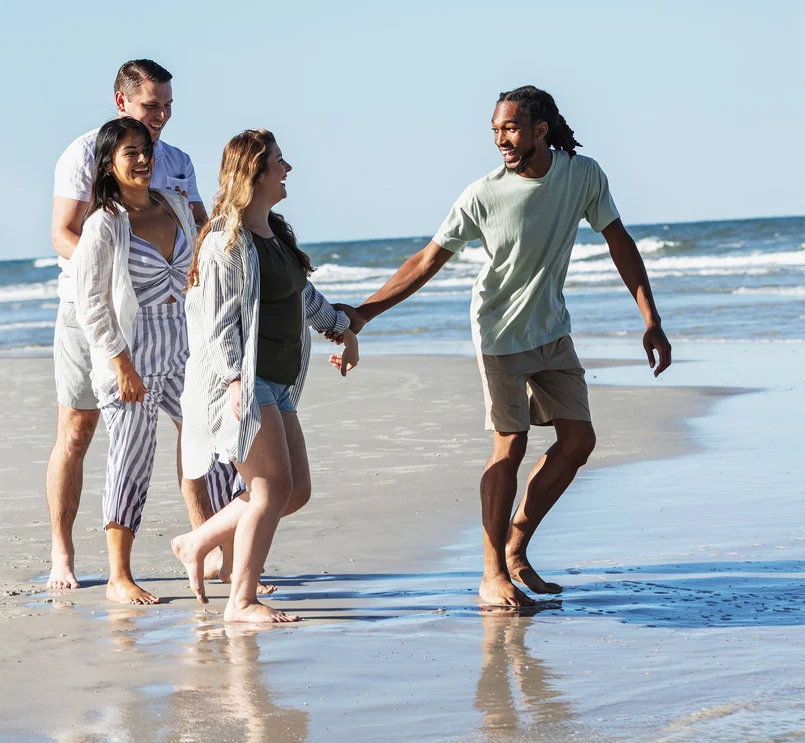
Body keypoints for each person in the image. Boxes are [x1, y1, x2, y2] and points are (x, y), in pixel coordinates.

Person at [352, 86, 672, 607]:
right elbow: (428, 259)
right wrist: (364, 312)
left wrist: (651, 318)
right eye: (496, 130)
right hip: (498, 332)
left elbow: (620, 241)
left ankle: (516, 544)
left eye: (511, 128)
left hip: (551, 329)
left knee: (578, 440)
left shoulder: (582, 174)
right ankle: (491, 573)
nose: (501, 139)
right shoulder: (482, 194)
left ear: (541, 130)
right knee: (511, 443)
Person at [172, 129, 359, 622]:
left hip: (279, 383)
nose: (288, 169)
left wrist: (343, 330)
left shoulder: (276, 234)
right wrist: (235, 380)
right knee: (271, 490)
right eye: (280, 161)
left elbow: (303, 297)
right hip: (242, 384)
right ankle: (241, 601)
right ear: (254, 172)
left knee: (293, 491)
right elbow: (214, 325)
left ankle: (197, 542)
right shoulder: (225, 243)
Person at [47, 59, 212, 590]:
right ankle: (63, 553)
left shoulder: (177, 162)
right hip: (94, 311)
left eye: (167, 105)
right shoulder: (84, 153)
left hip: (170, 324)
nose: (161, 115)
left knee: (199, 430)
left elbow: (200, 229)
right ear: (122, 102)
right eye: (150, 106)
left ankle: (205, 546)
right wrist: (123, 280)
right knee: (80, 429)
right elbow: (64, 234)